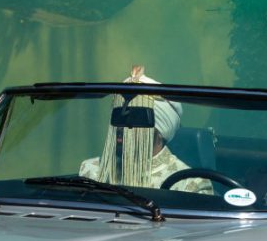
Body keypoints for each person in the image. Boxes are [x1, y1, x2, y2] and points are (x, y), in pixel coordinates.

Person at [80, 66, 212, 195]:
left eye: (134, 117)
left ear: (160, 133)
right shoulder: (92, 170)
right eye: (118, 115)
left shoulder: (189, 185)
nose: (120, 127)